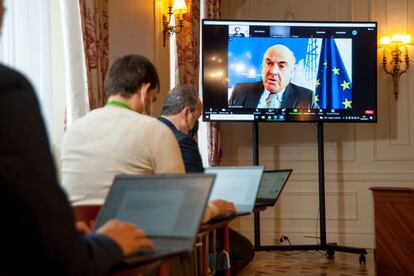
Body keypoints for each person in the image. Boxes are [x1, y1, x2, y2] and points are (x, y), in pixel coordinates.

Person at [0, 1, 153, 274]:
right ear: (145, 90)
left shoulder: (76, 128)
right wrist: (106, 243)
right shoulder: (9, 89)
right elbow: (56, 253)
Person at [61, 54, 235, 222]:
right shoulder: (155, 130)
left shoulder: (74, 130)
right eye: (153, 98)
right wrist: (215, 208)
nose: (151, 106)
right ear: (144, 91)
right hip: (132, 241)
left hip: (80, 242)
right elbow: (181, 210)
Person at [159, 85, 255, 275]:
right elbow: (197, 194)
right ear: (187, 113)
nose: (196, 125)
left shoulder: (150, 130)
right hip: (183, 227)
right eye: (197, 118)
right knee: (244, 249)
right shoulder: (182, 141)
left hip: (150, 222)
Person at [229, 44, 319, 109]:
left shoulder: (306, 97)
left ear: (292, 71)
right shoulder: (240, 91)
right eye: (269, 63)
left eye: (282, 66)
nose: (273, 71)